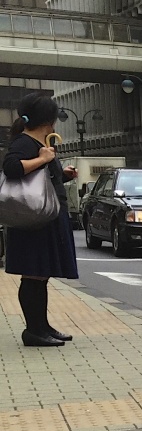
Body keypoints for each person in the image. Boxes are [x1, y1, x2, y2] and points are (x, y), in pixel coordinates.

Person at [3, 93, 78, 347]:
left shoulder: (40, 142)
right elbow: (11, 168)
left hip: (44, 217)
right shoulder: (25, 143)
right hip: (33, 220)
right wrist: (43, 159)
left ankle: (42, 327)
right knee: (33, 276)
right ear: (50, 120)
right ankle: (33, 331)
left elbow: (39, 181)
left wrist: (62, 174)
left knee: (41, 276)